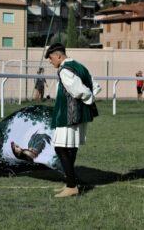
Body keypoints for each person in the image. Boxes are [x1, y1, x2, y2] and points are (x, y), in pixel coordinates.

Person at [45, 42, 100, 198]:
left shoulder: (64, 70)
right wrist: (88, 102)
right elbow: (95, 86)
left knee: (60, 148)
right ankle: (71, 181)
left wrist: (87, 99)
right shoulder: (80, 66)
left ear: (58, 55)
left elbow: (79, 90)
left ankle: (71, 185)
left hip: (69, 115)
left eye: (51, 58)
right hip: (79, 114)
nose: (50, 61)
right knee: (70, 147)